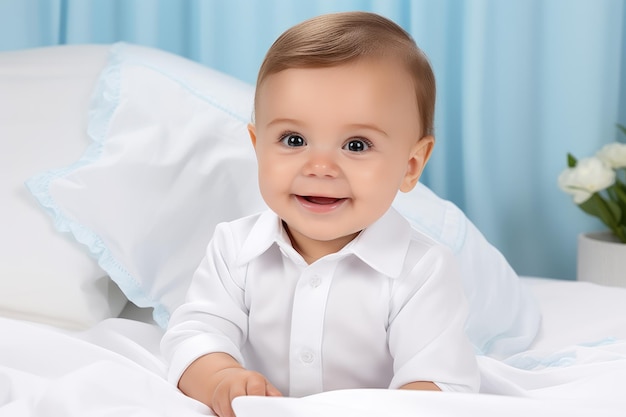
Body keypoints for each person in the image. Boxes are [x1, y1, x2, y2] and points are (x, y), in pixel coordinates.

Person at [161, 11, 480, 417]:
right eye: (294, 139)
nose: (320, 167)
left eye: (357, 145)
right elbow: (194, 335)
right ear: (257, 146)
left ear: (411, 165)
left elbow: (438, 383)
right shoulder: (234, 248)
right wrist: (222, 376)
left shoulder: (422, 271)